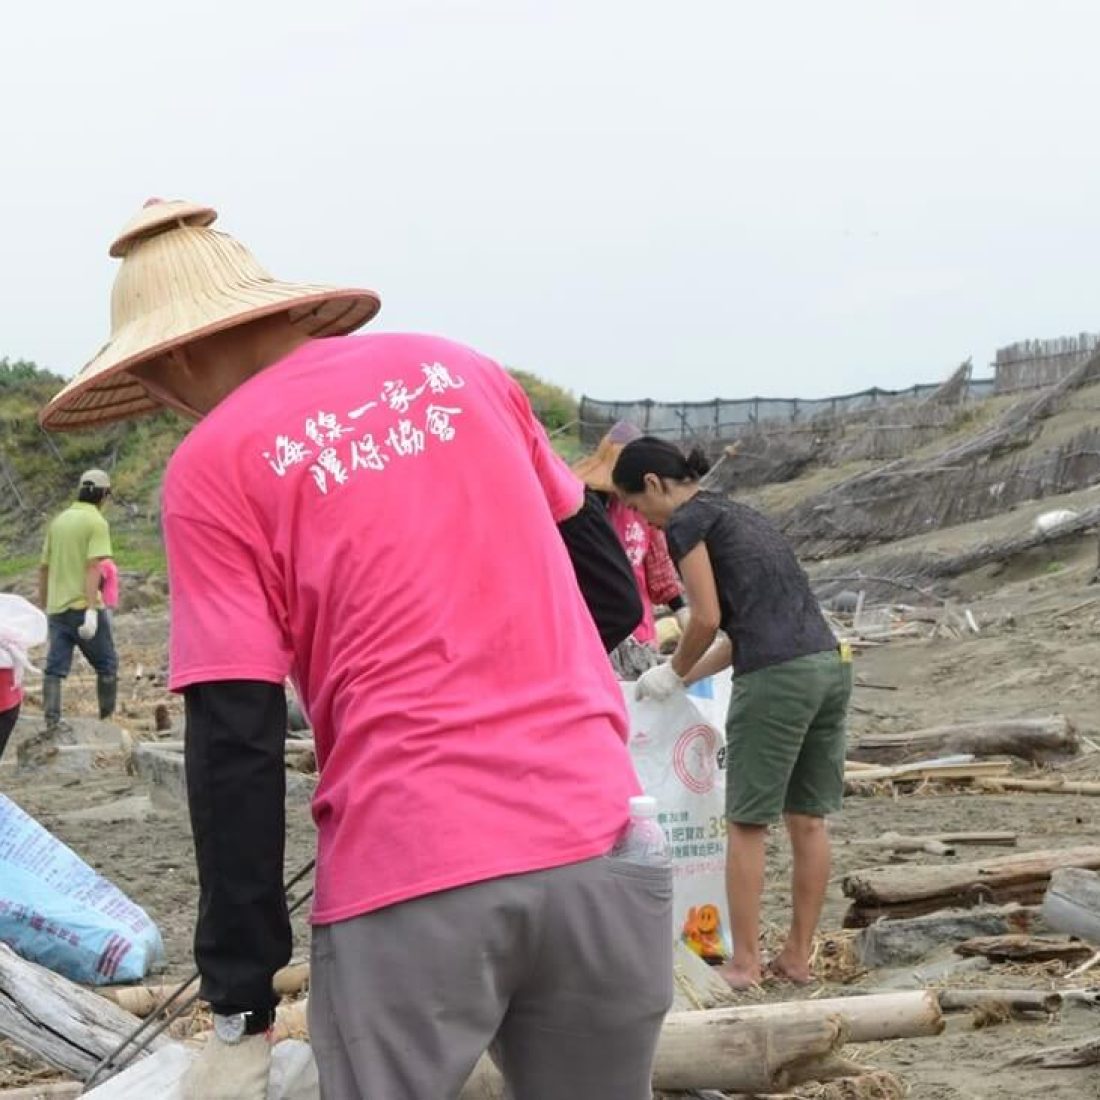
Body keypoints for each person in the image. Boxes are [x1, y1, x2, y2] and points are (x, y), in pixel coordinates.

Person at [41, 198, 670, 1100]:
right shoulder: (462, 371)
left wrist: (239, 1007)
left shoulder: (215, 463)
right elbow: (610, 594)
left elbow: (235, 743)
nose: (166, 405)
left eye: (152, 382)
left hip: (412, 877)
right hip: (604, 845)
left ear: (176, 355)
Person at [612, 436, 850, 991]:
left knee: (745, 821)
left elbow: (705, 617)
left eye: (638, 507)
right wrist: (683, 678)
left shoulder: (685, 523)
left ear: (652, 484)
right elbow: (746, 629)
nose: (644, 522)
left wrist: (672, 668)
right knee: (808, 819)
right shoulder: (740, 514)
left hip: (778, 679)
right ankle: (796, 958)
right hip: (828, 665)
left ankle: (743, 963)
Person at [573, 422, 686, 672]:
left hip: (640, 634)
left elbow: (659, 568)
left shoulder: (643, 510)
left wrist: (681, 609)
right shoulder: (579, 509)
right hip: (594, 630)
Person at [38, 470, 119, 729]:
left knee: (54, 668)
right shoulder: (96, 523)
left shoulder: (58, 521)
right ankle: (107, 722)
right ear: (104, 494)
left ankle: (51, 721)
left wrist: (44, 603)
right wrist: (92, 609)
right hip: (83, 607)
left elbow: (44, 567)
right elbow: (93, 566)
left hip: (56, 608)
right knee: (107, 665)